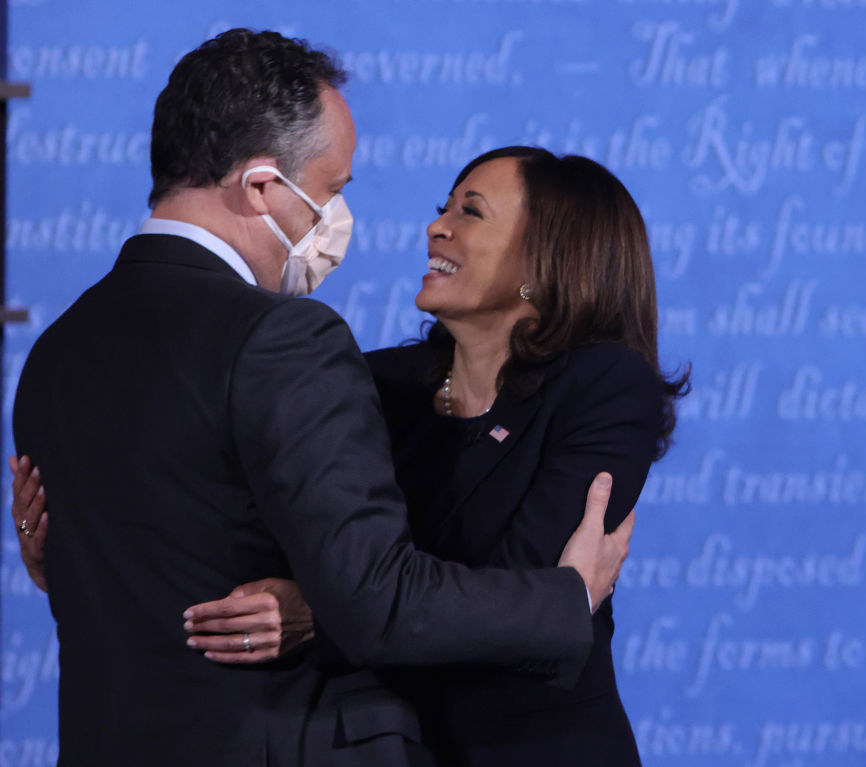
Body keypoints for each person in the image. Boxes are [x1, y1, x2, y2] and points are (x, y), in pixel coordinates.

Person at [8, 30, 633, 767]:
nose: (336, 220)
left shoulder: (56, 351)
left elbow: (119, 560)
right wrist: (568, 598)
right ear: (264, 186)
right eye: (331, 190)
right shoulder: (284, 339)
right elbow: (379, 601)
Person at [102, 146, 688, 764]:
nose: (437, 227)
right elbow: (251, 523)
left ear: (546, 261)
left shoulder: (604, 386)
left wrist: (327, 610)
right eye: (443, 208)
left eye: (472, 213)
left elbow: (520, 596)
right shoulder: (376, 383)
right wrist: (77, 528)